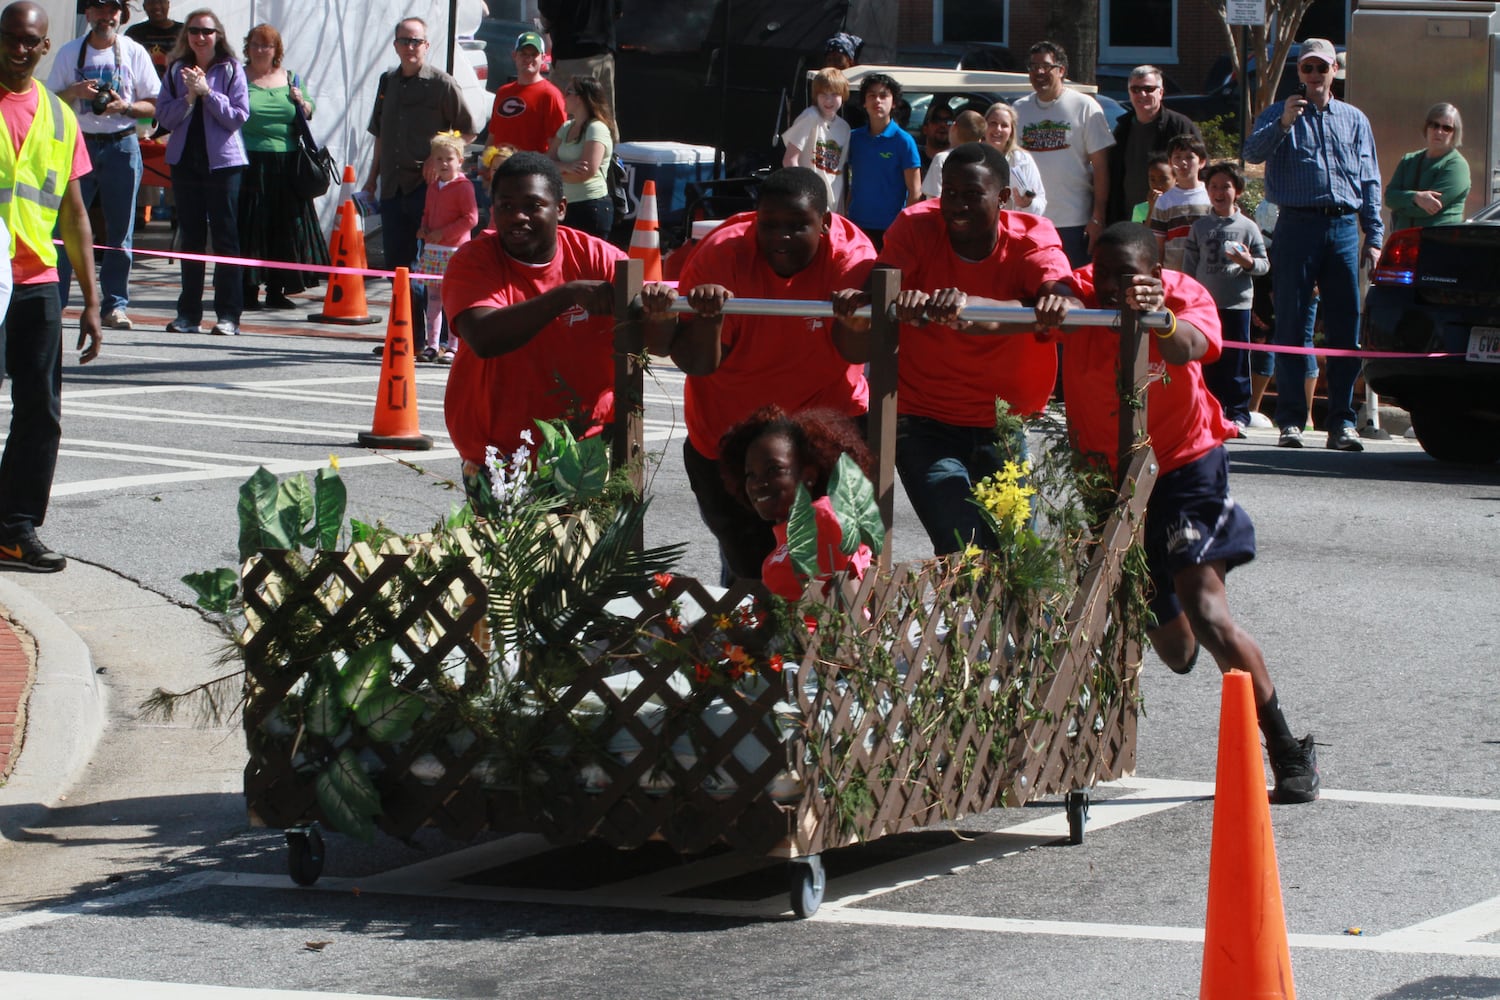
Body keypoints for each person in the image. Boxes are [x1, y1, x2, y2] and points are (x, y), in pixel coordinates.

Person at [1032, 222, 1319, 805]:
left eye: (1129, 277)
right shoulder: (1080, 292)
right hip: (1107, 473)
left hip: (1185, 466)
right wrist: (1055, 298)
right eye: (1105, 274)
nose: (1114, 288)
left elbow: (1190, 345)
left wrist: (1158, 315)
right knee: (1177, 650)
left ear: (1156, 273)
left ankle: (1288, 749)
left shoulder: (1183, 292)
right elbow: (1041, 298)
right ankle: (1166, 601)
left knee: (1208, 613)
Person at [833, 142, 1073, 555]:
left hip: (1002, 421)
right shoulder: (916, 224)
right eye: (950, 193)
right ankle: (979, 615)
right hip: (924, 418)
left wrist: (1049, 301)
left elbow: (1060, 295)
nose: (957, 205)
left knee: (1019, 553)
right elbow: (883, 285)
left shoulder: (1032, 235)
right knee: (964, 545)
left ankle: (1015, 622)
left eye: (972, 195)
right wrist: (891, 299)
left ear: (1004, 198)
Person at [639, 167, 876, 582]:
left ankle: (827, 644)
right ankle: (748, 635)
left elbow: (853, 349)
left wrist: (856, 323)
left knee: (831, 562)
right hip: (728, 431)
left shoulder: (853, 259)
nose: (780, 238)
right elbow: (696, 362)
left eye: (797, 225)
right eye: (769, 225)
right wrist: (711, 319)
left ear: (825, 222)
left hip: (822, 428)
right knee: (751, 569)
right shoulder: (722, 253)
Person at [442, 153, 669, 493]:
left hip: (585, 451)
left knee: (586, 547)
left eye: (533, 205)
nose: (518, 216)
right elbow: (484, 337)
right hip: (498, 455)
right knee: (508, 549)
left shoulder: (600, 258)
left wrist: (663, 310)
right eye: (505, 206)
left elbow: (659, 343)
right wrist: (565, 296)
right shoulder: (474, 260)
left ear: (560, 208)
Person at [0, 0, 103, 572]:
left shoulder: (61, 119)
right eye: (10, 38)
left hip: (36, 281)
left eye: (29, 42)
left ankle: (15, 528)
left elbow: (76, 215)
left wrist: (91, 300)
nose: (19, 49)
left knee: (40, 411)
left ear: (45, 49)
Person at [1244, 37, 1382, 452]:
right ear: (1299, 74)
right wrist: (1284, 121)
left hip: (1341, 228)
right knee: (1291, 323)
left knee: (1344, 327)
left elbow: (1370, 179)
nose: (1315, 76)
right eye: (1308, 69)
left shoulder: (1354, 119)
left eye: (1322, 68)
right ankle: (1291, 420)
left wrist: (1373, 237)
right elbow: (1251, 151)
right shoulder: (1280, 113)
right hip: (1296, 227)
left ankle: (1342, 422)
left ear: (1334, 72)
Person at [364, 17, 479, 353]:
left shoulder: (441, 83)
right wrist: (372, 178)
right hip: (392, 187)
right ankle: (405, 336)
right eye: (405, 41)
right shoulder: (388, 81)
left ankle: (438, 339)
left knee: (429, 270)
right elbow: (381, 134)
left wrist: (439, 156)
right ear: (396, 45)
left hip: (428, 189)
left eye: (417, 42)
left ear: (427, 46)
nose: (411, 47)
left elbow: (469, 129)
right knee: (397, 268)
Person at [45, 0, 158, 331]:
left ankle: (115, 305)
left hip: (122, 145)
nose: (106, 16)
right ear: (88, 14)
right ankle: (57, 301)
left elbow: (153, 103)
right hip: (79, 143)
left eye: (113, 10)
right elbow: (51, 101)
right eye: (99, 9)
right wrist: (76, 91)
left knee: (120, 231)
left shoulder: (134, 51)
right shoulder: (69, 52)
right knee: (64, 228)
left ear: (121, 15)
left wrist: (125, 107)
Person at [718, 405, 875, 603]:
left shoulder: (824, 517)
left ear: (808, 476)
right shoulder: (784, 538)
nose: (758, 484)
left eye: (774, 469)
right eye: (751, 474)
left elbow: (851, 597)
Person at [156, 8, 248, 337]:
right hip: (185, 162)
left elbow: (238, 116)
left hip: (223, 164)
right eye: (194, 31)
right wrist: (189, 97)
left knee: (225, 238)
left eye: (207, 32)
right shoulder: (176, 69)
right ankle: (188, 314)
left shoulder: (231, 68)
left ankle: (228, 315)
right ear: (187, 36)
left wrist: (208, 93)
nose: (200, 37)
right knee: (191, 238)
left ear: (218, 35)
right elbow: (164, 118)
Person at [236, 22, 328, 312]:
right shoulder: (237, 76)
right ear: (247, 48)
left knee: (285, 228)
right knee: (251, 228)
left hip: (288, 164)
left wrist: (302, 102)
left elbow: (310, 110)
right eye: (256, 44)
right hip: (249, 162)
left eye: (267, 45)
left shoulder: (292, 78)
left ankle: (277, 289)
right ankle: (248, 289)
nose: (261, 49)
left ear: (276, 50)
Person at [1183, 162, 1269, 432]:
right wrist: (1190, 298)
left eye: (1226, 187)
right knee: (1207, 359)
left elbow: (1264, 265)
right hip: (1205, 307)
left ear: (1238, 191)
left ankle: (1238, 414)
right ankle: (1208, 411)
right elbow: (1189, 267)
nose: (1219, 192)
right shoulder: (1199, 227)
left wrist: (1247, 262)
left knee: (1236, 361)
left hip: (1237, 305)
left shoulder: (1248, 227)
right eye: (1214, 187)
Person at [1013, 40, 1114, 267]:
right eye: (1033, 66)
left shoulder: (1085, 106)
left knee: (1072, 291)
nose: (1039, 72)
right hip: (1030, 220)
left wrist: (1098, 217)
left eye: (1046, 66)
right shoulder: (1018, 110)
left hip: (1074, 222)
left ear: (1061, 70)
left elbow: (1101, 166)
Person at [1105, 64, 1202, 225]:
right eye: (1135, 89)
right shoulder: (1122, 128)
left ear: (1161, 92)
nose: (1141, 94)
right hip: (1130, 220)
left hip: (1173, 219)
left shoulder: (1179, 126)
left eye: (1149, 89)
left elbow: (1201, 171)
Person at [415, 130, 477, 364]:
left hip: (454, 251)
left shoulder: (464, 187)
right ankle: (432, 345)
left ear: (460, 161)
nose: (443, 164)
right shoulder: (433, 186)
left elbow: (470, 218)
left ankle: (453, 345)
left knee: (452, 301)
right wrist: (424, 227)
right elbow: (428, 212)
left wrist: (444, 233)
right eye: (438, 158)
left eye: (448, 159)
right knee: (433, 300)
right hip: (434, 251)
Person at [845, 72, 919, 249]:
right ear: (864, 102)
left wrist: (902, 227)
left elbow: (915, 191)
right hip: (856, 227)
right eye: (871, 95)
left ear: (894, 103)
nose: (877, 100)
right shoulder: (853, 138)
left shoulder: (904, 141)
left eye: (883, 95)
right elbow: (850, 181)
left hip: (890, 230)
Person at [1385, 102, 1470, 232]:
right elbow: (1389, 198)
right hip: (1404, 241)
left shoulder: (1457, 166)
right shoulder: (1409, 160)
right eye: (1434, 125)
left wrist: (1400, 204)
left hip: (1439, 243)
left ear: (1455, 133)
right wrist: (1415, 197)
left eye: (1446, 128)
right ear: (1426, 127)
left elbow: (1428, 209)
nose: (1439, 131)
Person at [549, 73, 615, 240]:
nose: (564, 96)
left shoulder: (596, 128)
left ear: (581, 98)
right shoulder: (566, 127)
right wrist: (566, 168)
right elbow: (545, 163)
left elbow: (585, 173)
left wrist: (557, 173)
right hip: (563, 207)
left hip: (590, 208)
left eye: (568, 92)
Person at [781, 66, 850, 212]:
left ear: (843, 95)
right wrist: (803, 196)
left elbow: (840, 173)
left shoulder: (845, 128)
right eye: (823, 94)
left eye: (834, 94)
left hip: (832, 207)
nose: (828, 100)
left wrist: (841, 211)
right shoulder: (810, 116)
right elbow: (790, 160)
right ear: (815, 95)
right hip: (808, 203)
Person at [538, 0, 622, 119]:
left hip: (572, 57)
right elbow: (618, 13)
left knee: (570, 125)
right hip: (604, 56)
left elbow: (547, 16)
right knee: (605, 122)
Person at [486, 30, 565, 154]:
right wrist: (484, 167)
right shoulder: (503, 92)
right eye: (523, 53)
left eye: (534, 54)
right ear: (514, 56)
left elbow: (557, 142)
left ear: (543, 58)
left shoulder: (550, 94)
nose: (528, 58)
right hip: (500, 167)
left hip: (530, 169)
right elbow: (493, 135)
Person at [1149, 133, 1210, 271]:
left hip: (1207, 273)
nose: (1183, 163)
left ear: (1201, 162)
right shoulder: (1164, 202)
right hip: (1175, 274)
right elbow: (1158, 245)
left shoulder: (1211, 196)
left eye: (1189, 157)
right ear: (1170, 163)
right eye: (1177, 157)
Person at [982, 101, 1044, 215]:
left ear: (1011, 131)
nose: (998, 129)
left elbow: (1040, 203)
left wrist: (1027, 204)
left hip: (1013, 227)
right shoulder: (974, 157)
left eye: (1004, 125)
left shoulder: (1023, 160)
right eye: (993, 123)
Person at [920, 109, 984, 199]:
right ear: (980, 139)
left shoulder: (942, 159)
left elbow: (934, 199)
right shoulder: (984, 160)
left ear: (954, 127)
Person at [125, 0, 179, 80]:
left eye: (161, 2)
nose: (156, 6)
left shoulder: (184, 31)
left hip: (178, 86)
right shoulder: (134, 33)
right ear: (144, 7)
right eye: (151, 3)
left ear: (168, 4)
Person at [1132, 152, 1171, 223]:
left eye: (1163, 179)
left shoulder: (1182, 207)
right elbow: (1141, 233)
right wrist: (1152, 209)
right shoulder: (1140, 209)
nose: (1157, 184)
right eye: (1152, 179)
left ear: (1176, 179)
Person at [919, 101, 955, 173]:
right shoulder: (914, 160)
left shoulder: (957, 162)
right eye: (936, 120)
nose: (942, 125)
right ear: (925, 129)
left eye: (948, 121)